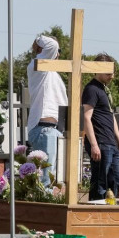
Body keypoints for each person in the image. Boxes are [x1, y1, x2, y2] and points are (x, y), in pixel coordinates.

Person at [81, 53, 119, 201]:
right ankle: (95, 213)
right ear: (98, 69)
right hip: (100, 142)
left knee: (116, 179)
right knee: (100, 182)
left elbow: (110, 116)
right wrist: (94, 145)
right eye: (109, 73)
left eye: (113, 72)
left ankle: (109, 209)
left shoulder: (104, 90)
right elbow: (87, 117)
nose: (112, 76)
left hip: (111, 143)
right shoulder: (91, 89)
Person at [27, 35, 68, 187]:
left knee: (53, 179)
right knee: (46, 181)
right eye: (58, 50)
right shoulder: (38, 66)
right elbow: (51, 45)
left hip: (56, 129)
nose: (58, 53)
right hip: (44, 129)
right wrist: (38, 39)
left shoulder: (53, 74)